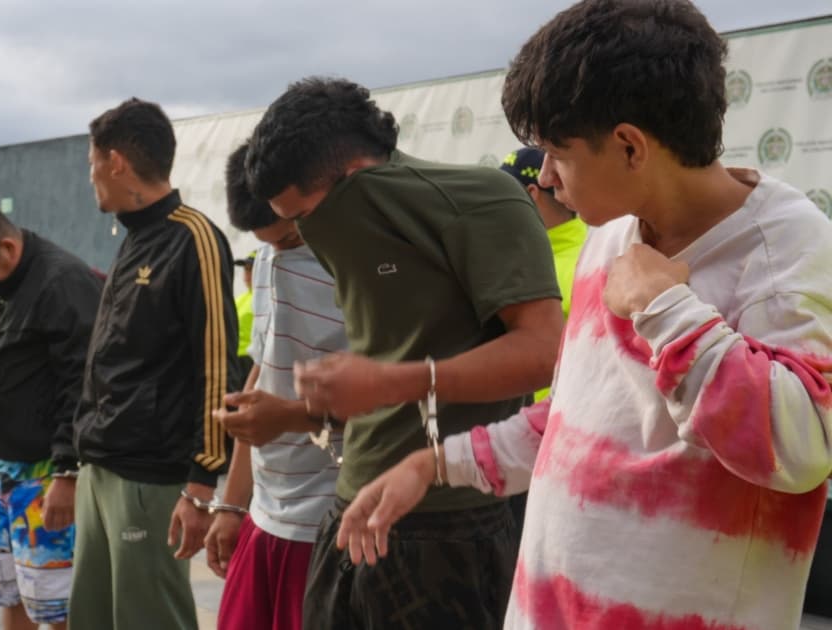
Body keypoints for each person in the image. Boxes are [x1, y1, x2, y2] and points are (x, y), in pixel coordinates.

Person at [334, 1, 832, 629]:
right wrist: (430, 465)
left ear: (629, 146)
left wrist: (665, 310)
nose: (546, 176)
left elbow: (803, 447)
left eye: (555, 154)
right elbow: (574, 420)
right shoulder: (612, 236)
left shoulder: (784, 252)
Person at [243, 77, 563, 629]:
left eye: (304, 216)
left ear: (355, 178)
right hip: (350, 509)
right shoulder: (346, 228)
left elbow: (542, 351)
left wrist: (398, 382)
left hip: (454, 520)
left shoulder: (480, 200)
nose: (303, 235)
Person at [66, 97, 237, 630]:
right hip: (100, 466)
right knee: (90, 618)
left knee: (149, 620)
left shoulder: (194, 238)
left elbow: (217, 365)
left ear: (116, 161)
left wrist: (201, 483)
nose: (90, 176)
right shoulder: (134, 240)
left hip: (151, 478)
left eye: (92, 163)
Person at [0, 199, 101, 630]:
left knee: (55, 601)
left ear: (7, 248)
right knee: (8, 589)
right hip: (3, 469)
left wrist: (67, 474)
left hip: (48, 473)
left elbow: (82, 387)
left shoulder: (62, 283)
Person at [205, 142, 346, 630]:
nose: (279, 253)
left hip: (331, 516)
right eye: (267, 242)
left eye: (290, 236)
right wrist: (231, 504)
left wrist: (288, 417)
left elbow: (397, 393)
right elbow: (263, 375)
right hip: (267, 510)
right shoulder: (266, 260)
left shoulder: (361, 265)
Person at [497, 146, 588, 530]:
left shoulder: (587, 260)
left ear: (531, 194)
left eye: (502, 197)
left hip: (558, 448)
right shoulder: (521, 256)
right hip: (516, 442)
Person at [229, 253, 256, 393]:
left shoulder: (270, 297)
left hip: (251, 361)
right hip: (234, 360)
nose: (247, 274)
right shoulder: (240, 299)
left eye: (251, 269)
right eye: (245, 269)